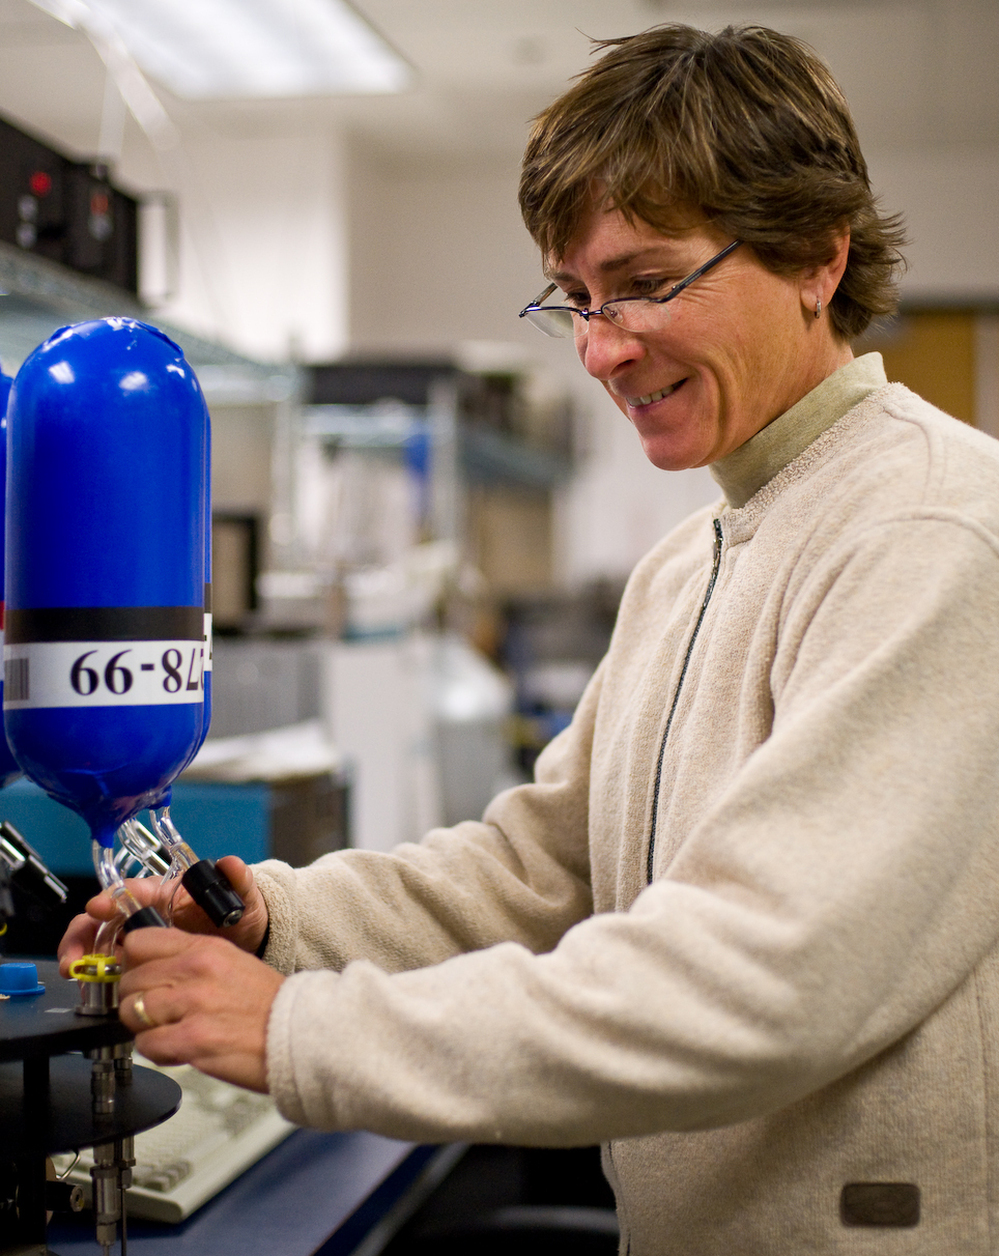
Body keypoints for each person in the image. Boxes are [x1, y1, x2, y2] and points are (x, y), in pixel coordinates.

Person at [60, 23, 999, 1254]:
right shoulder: (694, 558)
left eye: (649, 281)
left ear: (818, 257)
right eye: (577, 298)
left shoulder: (931, 528)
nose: (604, 347)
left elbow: (763, 978)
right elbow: (537, 874)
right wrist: (263, 917)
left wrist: (295, 1031)